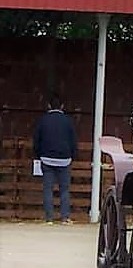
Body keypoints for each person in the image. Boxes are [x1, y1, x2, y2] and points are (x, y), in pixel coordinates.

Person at [33, 94, 78, 224]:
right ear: (62, 106)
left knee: (48, 189)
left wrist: (37, 155)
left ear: (48, 106)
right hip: (64, 159)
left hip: (46, 158)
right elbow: (73, 141)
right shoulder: (68, 121)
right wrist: (73, 155)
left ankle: (49, 218)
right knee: (64, 189)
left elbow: (36, 139)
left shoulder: (43, 120)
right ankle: (65, 217)